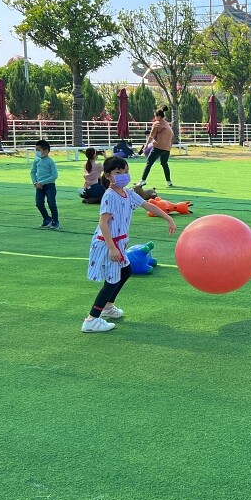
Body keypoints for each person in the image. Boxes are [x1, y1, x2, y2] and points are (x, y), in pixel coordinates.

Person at [82, 156, 177, 333]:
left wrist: (168, 218)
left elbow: (148, 206)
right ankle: (91, 319)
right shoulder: (110, 196)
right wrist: (111, 247)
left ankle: (108, 307)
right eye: (118, 172)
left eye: (125, 171)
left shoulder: (128, 193)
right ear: (109, 176)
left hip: (118, 242)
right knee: (111, 281)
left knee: (126, 270)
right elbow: (103, 223)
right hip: (107, 242)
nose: (123, 175)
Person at [137, 106, 174, 187]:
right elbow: (172, 137)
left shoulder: (157, 124)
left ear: (159, 116)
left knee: (149, 163)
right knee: (164, 164)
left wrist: (146, 146)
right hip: (167, 148)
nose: (154, 117)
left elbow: (151, 136)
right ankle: (169, 181)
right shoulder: (167, 125)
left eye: (155, 116)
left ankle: (142, 180)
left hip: (158, 147)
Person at [31, 139, 60, 229]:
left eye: (39, 150)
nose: (37, 152)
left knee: (51, 203)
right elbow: (32, 172)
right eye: (36, 150)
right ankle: (47, 219)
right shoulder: (36, 160)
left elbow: (54, 175)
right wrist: (35, 182)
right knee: (39, 203)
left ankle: (55, 221)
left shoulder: (50, 162)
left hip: (49, 185)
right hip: (39, 186)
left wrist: (42, 182)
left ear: (46, 151)